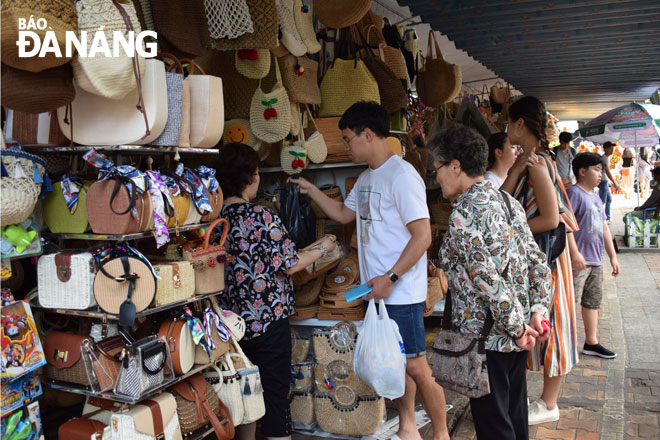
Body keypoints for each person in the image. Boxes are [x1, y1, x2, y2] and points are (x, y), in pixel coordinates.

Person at [291, 102, 450, 440]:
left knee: (418, 368)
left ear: (368, 134)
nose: (346, 146)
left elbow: (423, 236)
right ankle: (408, 427)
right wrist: (312, 190)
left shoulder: (402, 176)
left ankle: (442, 434)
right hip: (376, 292)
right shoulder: (364, 179)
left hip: (400, 292)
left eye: (348, 139)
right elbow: (345, 215)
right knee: (398, 362)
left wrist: (391, 278)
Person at [431, 125, 552, 440]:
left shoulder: (462, 218)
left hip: (487, 342)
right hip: (516, 336)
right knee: (514, 419)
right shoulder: (508, 202)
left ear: (455, 166)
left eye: (438, 169)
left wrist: (517, 328)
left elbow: (489, 282)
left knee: (495, 429)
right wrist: (536, 313)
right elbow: (538, 262)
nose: (437, 178)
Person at [214, 143, 338, 440]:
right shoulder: (262, 216)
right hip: (267, 322)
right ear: (252, 177)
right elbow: (291, 264)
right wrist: (325, 246)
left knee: (243, 392)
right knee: (274, 397)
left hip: (229, 326)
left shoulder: (214, 221)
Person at [500, 96, 580, 425]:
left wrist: (510, 233)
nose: (505, 129)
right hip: (537, 260)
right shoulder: (530, 162)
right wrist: (516, 169)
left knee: (553, 326)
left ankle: (550, 404)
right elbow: (501, 202)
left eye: (508, 122)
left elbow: (549, 220)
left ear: (520, 124)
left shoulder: (539, 164)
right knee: (545, 322)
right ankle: (547, 401)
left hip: (545, 261)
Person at [566, 153, 620, 359]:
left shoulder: (596, 196)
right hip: (578, 262)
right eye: (597, 170)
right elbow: (566, 225)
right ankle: (565, 342)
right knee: (570, 303)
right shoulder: (573, 194)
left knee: (592, 302)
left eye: (601, 170)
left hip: (596, 260)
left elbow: (605, 228)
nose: (601, 174)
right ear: (582, 171)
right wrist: (574, 252)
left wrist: (612, 256)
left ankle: (591, 342)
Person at [598, 142, 621, 222]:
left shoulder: (606, 158)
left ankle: (607, 217)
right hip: (603, 181)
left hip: (605, 181)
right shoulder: (604, 158)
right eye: (610, 148)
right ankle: (601, 218)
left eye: (612, 149)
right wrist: (615, 183)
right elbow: (607, 172)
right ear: (606, 149)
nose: (612, 150)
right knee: (602, 201)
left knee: (608, 199)